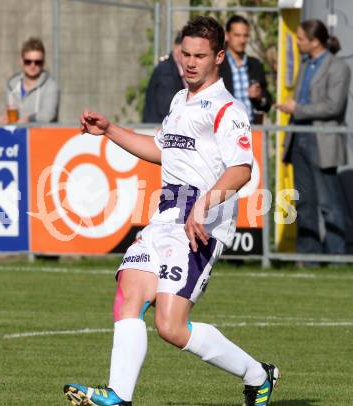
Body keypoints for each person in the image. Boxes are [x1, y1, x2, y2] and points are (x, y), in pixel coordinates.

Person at [64, 16, 279, 406]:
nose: (190, 62)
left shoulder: (226, 110)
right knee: (129, 288)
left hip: (203, 222)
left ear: (219, 56)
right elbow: (162, 150)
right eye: (185, 54)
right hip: (166, 214)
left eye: (200, 56)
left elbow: (241, 169)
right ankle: (118, 395)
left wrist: (202, 207)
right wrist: (110, 129)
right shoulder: (181, 100)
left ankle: (258, 375)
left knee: (170, 326)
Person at [277, 19, 350, 259]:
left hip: (322, 141)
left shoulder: (337, 67)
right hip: (300, 140)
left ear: (315, 41)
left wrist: (297, 108)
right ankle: (308, 257)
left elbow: (333, 106)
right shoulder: (306, 64)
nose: (297, 43)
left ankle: (337, 256)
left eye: (300, 39)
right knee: (304, 202)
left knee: (329, 203)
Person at [219, 15, 271, 124]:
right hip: (225, 130)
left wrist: (259, 96)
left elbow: (267, 104)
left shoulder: (255, 65)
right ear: (227, 36)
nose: (242, 40)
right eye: (237, 35)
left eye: (245, 36)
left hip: (252, 129)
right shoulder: (217, 64)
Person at [2, 37, 59, 124]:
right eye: (28, 61)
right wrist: (4, 118)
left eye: (37, 62)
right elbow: (8, 111)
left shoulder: (51, 85)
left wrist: (29, 120)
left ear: (43, 63)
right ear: (21, 61)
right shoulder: (12, 84)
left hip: (41, 135)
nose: (32, 65)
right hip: (15, 134)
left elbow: (49, 115)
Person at [142, 31, 186, 123]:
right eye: (187, 53)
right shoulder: (167, 72)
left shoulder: (172, 69)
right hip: (158, 130)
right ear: (177, 49)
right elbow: (168, 109)